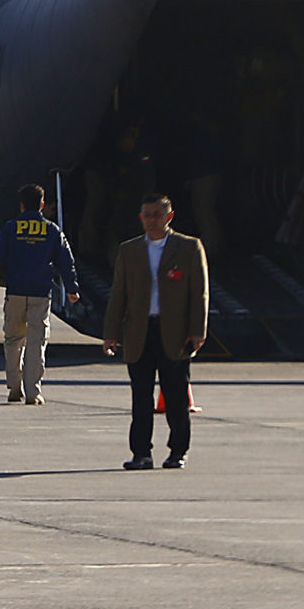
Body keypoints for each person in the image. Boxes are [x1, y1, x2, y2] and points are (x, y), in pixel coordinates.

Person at [102, 194, 207, 469]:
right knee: (140, 397)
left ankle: (177, 451)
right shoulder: (130, 250)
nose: (151, 220)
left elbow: (199, 293)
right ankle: (141, 453)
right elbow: (119, 294)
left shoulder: (188, 248)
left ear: (169, 217)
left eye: (157, 215)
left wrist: (197, 330)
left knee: (176, 396)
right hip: (139, 332)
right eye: (147, 215)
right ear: (141, 218)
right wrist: (111, 332)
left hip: (175, 333)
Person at [0, 184, 77, 404]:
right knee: (37, 342)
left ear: (21, 205)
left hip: (15, 291)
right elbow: (66, 261)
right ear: (42, 204)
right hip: (40, 293)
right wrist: (72, 288)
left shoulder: (11, 228)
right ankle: (32, 392)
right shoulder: (52, 230)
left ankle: (14, 387)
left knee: (13, 339)